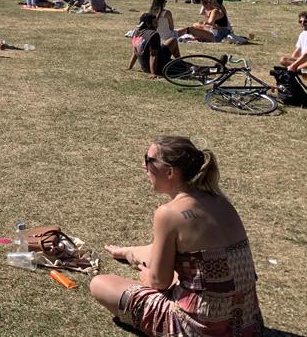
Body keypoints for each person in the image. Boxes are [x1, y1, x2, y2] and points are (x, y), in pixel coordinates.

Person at [89, 137, 263, 335]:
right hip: (247, 327)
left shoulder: (168, 213)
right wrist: (127, 252)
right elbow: (190, 256)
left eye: (148, 160)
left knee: (100, 284)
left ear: (170, 172)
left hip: (198, 329)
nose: (143, 165)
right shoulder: (221, 201)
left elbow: (159, 282)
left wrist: (148, 277)